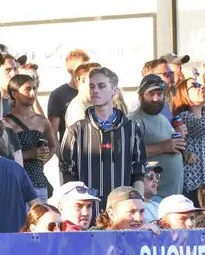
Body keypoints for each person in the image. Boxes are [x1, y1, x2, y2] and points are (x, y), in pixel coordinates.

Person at [60, 67, 146, 206]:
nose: (95, 91)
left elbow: (138, 170)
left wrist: (138, 203)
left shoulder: (131, 128)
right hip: (88, 208)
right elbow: (68, 172)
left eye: (101, 86)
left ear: (114, 91)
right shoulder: (76, 130)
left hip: (122, 208)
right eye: (92, 86)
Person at [129, 74, 185, 199]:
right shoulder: (134, 120)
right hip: (153, 197)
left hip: (172, 196)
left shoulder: (163, 118)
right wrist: (164, 147)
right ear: (141, 96)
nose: (156, 99)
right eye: (151, 94)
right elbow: (129, 153)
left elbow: (172, 147)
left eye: (159, 94)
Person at [6, 73, 54, 201]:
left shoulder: (42, 121)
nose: (33, 93)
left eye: (35, 88)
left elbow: (53, 146)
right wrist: (29, 154)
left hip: (39, 182)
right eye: (27, 89)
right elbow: (1, 155)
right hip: (15, 184)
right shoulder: (6, 123)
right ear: (14, 93)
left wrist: (43, 159)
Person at [46, 49, 89, 147]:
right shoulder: (58, 94)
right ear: (71, 71)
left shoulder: (95, 92)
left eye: (87, 67)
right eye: (81, 67)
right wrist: (62, 158)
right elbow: (53, 133)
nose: (85, 71)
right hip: (71, 151)